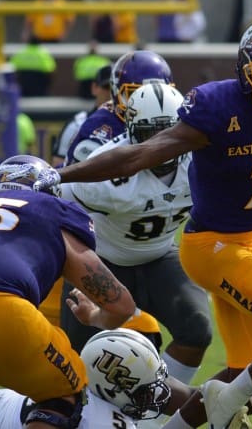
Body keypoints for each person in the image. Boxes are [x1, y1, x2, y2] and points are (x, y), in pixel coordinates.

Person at [27, 18, 252, 429]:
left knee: (245, 367)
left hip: (248, 242)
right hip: (210, 249)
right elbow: (137, 155)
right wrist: (60, 174)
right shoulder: (218, 107)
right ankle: (230, 401)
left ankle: (190, 418)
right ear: (248, 71)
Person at [0, 154, 136, 416]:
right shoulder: (53, 210)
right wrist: (95, 316)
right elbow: (121, 306)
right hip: (1, 310)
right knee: (65, 395)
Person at [59, 82, 214, 389]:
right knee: (79, 360)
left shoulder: (203, 162)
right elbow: (59, 211)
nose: (159, 146)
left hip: (160, 257)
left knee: (197, 329)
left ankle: (150, 410)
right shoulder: (106, 172)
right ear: (131, 131)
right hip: (103, 262)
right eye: (148, 135)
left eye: (167, 133)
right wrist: (75, 263)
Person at [0, 328, 252, 428]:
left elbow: (195, 398)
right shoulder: (94, 417)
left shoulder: (105, 389)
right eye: (147, 388)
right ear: (114, 388)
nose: (159, 394)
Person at [64, 50, 174, 167]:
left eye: (156, 96)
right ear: (117, 93)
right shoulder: (101, 127)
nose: (148, 103)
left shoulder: (174, 118)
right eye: (136, 93)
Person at [52, 64, 112, 167]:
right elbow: (58, 164)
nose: (111, 93)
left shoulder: (131, 124)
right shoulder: (76, 124)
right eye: (107, 87)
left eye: (116, 88)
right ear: (94, 88)